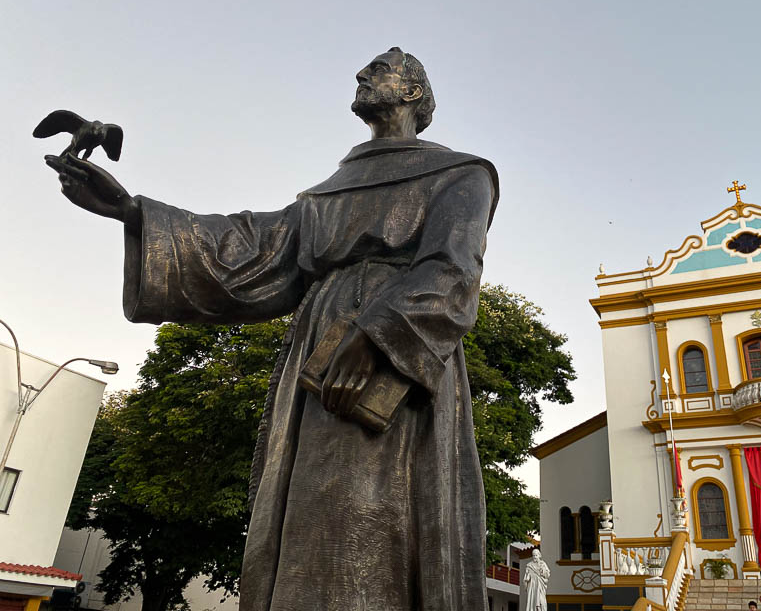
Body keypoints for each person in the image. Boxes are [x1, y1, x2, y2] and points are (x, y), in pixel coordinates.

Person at [44, 47, 499, 611]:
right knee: (306, 507)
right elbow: (254, 249)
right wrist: (132, 212)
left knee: (374, 509)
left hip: (398, 358)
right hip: (317, 351)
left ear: (412, 92)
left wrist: (375, 336)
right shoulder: (326, 193)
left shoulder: (463, 174)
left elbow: (453, 271)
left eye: (378, 69)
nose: (360, 75)